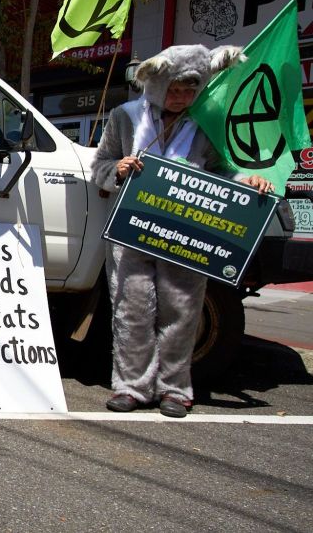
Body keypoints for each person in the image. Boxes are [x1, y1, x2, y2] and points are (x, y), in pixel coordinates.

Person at [90, 44, 273, 418]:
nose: (182, 97)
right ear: (157, 84)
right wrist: (118, 169)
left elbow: (222, 174)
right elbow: (100, 166)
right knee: (132, 309)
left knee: (183, 310)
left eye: (190, 90)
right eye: (175, 89)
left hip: (185, 236)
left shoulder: (205, 123)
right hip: (132, 233)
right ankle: (132, 386)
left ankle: (175, 389)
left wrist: (247, 181)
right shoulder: (125, 118)